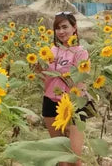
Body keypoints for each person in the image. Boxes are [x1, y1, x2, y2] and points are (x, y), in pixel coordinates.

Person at [42, 12, 89, 166]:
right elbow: (47, 79)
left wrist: (59, 74)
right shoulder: (52, 51)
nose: (61, 31)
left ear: (74, 28)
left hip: (74, 103)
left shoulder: (80, 52)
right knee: (60, 157)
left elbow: (80, 79)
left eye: (64, 27)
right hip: (50, 102)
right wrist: (39, 69)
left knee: (75, 158)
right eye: (57, 28)